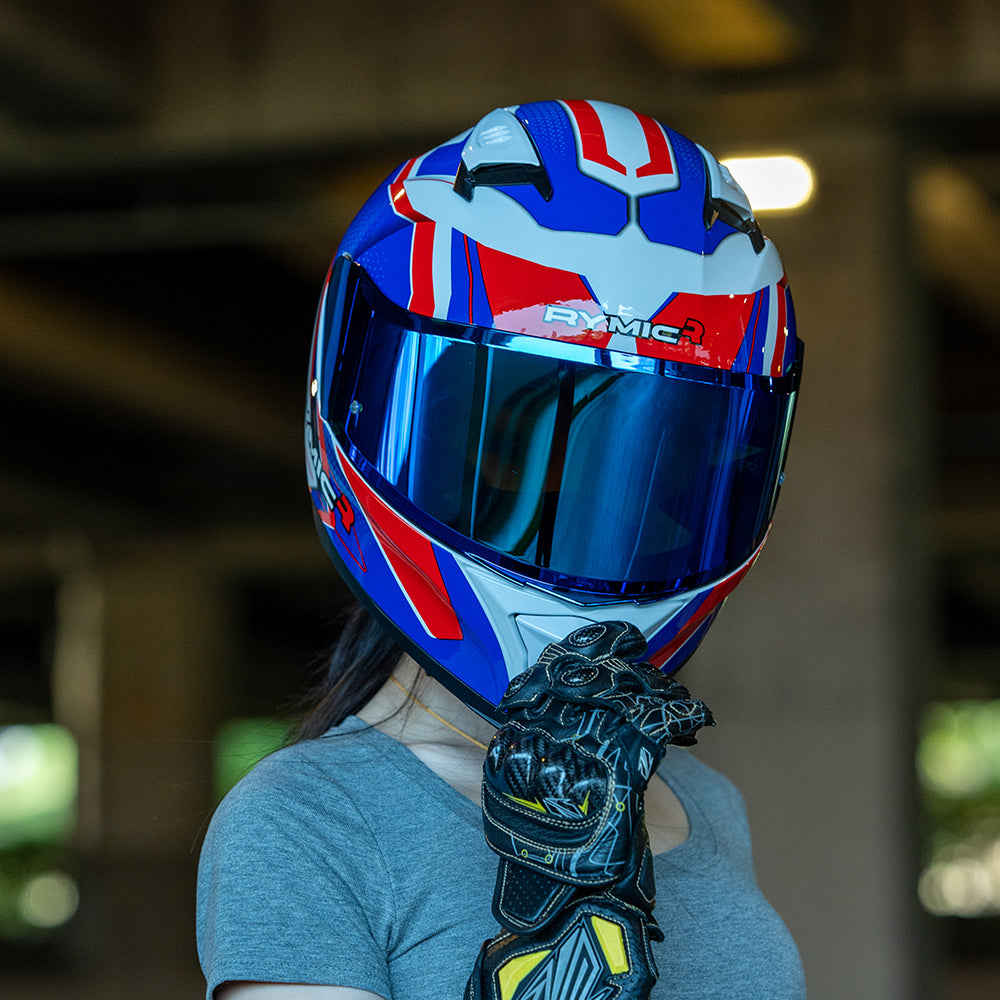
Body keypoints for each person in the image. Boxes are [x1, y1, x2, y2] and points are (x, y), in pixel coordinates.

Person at [197, 99, 807, 1000]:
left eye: (645, 468)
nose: (577, 514)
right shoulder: (308, 823)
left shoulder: (704, 802)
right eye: (506, 460)